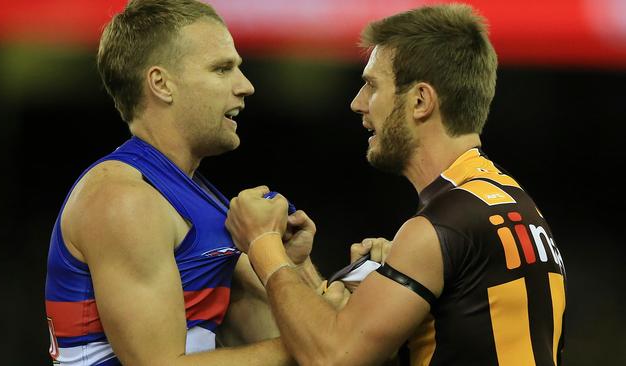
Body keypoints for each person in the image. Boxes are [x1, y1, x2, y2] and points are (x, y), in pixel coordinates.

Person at [226, 3, 567, 366]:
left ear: (420, 100)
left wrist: (263, 245)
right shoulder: (511, 202)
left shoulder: (439, 228)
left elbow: (331, 356)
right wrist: (305, 273)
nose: (357, 103)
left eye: (372, 85)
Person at [43, 1, 352, 365]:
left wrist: (295, 263)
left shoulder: (199, 198)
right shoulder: (124, 199)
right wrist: (314, 340)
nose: (246, 86)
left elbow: (299, 325)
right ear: (161, 84)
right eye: (222, 69)